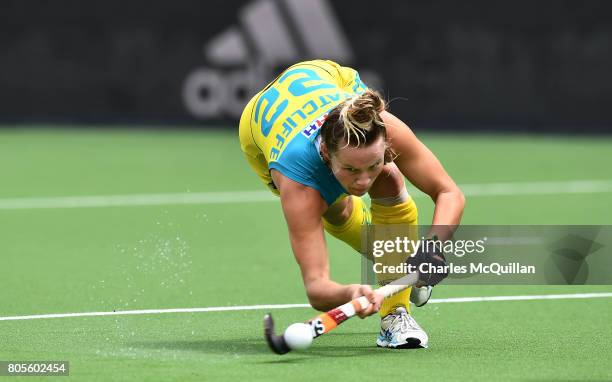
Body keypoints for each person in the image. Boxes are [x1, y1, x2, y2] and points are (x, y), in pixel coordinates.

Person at [239, 60, 464, 349]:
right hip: (257, 128)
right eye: (351, 170)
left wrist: (431, 248)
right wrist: (350, 292)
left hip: (324, 75)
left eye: (372, 164)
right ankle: (401, 265)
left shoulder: (384, 129)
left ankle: (395, 313)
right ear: (325, 152)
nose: (363, 181)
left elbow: (449, 192)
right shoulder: (299, 182)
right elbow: (316, 287)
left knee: (390, 178)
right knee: (336, 207)